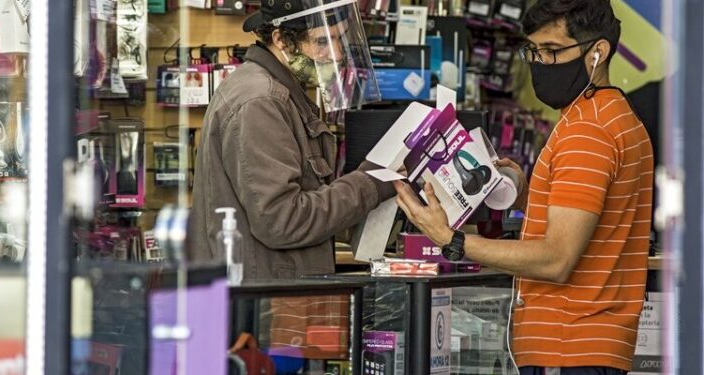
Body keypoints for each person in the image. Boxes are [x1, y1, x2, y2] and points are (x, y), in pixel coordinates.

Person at [394, 1, 653, 374]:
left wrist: (451, 239)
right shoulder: (613, 117)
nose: (539, 64)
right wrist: (531, 194)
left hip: (569, 347)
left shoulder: (587, 131)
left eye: (552, 51)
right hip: (587, 346)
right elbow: (597, 223)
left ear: (598, 52)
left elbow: (556, 259)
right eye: (533, 50)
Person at [186, 0, 393, 279]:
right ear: (281, 39)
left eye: (339, 39)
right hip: (263, 301)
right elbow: (283, 221)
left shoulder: (280, 90)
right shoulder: (261, 102)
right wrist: (369, 185)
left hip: (272, 289)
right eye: (323, 42)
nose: (337, 54)